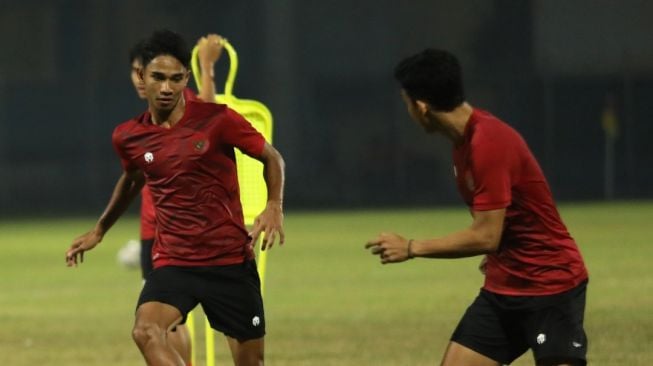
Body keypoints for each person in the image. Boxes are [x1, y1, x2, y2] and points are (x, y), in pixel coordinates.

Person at [66, 29, 285, 366]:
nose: (166, 88)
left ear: (186, 78)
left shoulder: (217, 120)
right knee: (145, 331)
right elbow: (132, 179)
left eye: (175, 78)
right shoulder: (129, 137)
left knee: (250, 362)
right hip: (174, 263)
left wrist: (274, 205)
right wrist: (99, 230)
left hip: (228, 262)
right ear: (142, 77)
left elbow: (272, 157)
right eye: (157, 77)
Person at [365, 49, 589, 366]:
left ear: (421, 106)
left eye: (406, 104)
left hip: (551, 286)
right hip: (504, 289)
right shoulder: (463, 143)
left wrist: (412, 247)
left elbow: (486, 235)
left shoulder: (488, 141)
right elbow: (503, 222)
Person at [129, 33, 225, 366]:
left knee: (165, 321)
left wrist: (207, 66)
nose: (143, 79)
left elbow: (211, 114)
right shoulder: (142, 126)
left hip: (182, 231)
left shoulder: (181, 113)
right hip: (150, 231)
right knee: (164, 321)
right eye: (138, 71)